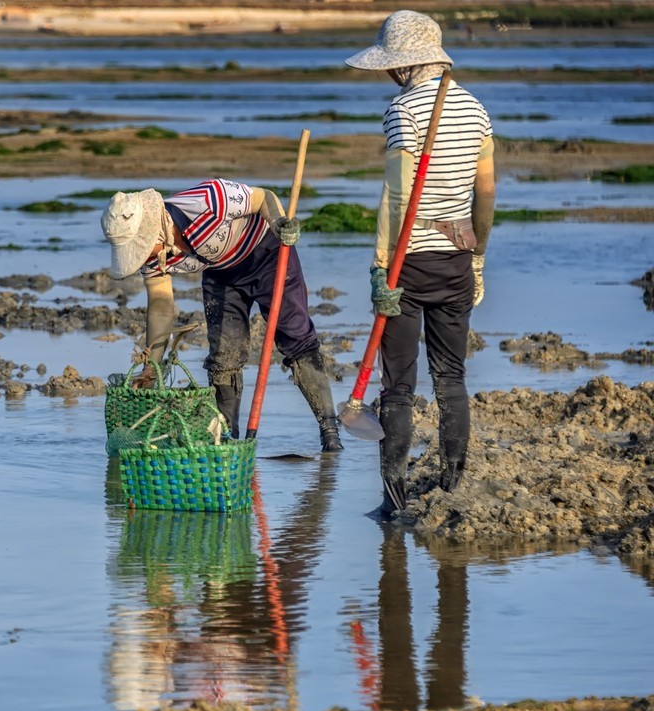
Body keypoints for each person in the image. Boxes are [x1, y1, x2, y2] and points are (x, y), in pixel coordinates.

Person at [345, 10, 495, 516]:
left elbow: (396, 197)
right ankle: (453, 486)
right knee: (451, 376)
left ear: (402, 66)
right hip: (455, 255)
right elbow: (487, 195)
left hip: (408, 263)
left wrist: (378, 269)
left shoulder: (401, 111)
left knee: (399, 385)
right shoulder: (476, 110)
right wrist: (477, 259)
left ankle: (392, 501)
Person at [101, 179, 344, 452]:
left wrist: (278, 223)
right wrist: (151, 367)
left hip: (267, 255)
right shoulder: (155, 258)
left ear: (155, 231)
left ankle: (329, 430)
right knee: (223, 358)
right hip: (222, 275)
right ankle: (228, 441)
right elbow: (160, 304)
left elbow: (264, 197)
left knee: (296, 338)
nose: (140, 257)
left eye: (139, 248)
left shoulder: (208, 201)